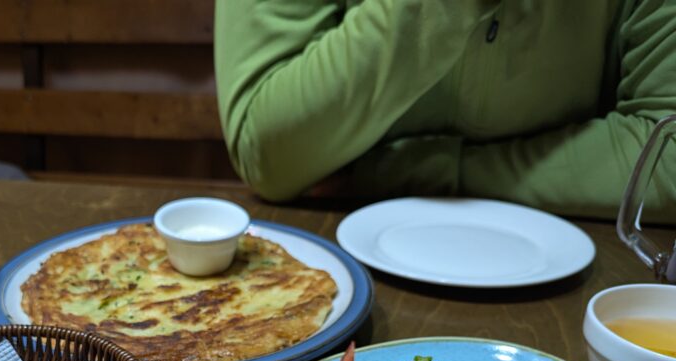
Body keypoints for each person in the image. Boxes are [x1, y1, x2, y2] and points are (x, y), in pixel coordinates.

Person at [214, 0, 676, 222]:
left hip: (579, 268)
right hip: (332, 256)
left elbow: (666, 157)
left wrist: (413, 170)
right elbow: (265, 150)